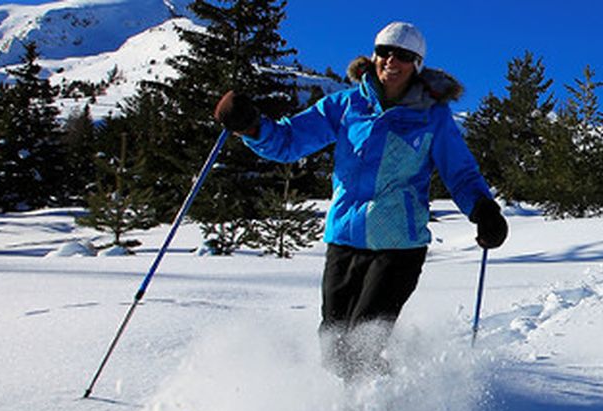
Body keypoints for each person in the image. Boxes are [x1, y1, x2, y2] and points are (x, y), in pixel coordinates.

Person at [215, 22, 507, 381]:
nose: (391, 61)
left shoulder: (432, 117)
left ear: (417, 64)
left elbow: (460, 172)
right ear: (373, 56)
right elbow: (291, 140)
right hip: (345, 240)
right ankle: (386, 391)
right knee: (333, 348)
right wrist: (251, 127)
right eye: (384, 51)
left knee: (361, 344)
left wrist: (483, 210)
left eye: (403, 55)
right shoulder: (344, 105)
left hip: (399, 247)